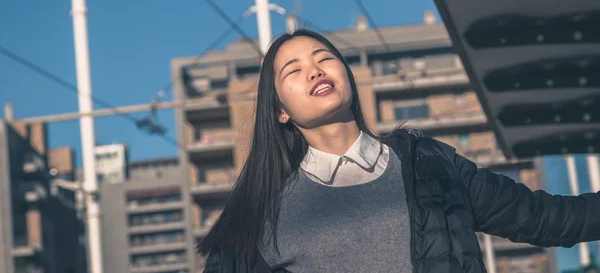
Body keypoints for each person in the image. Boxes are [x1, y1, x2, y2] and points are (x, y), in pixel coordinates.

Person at [198, 29, 600, 273]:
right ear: (280, 111)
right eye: (295, 70)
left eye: (325, 59)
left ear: (347, 76)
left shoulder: (430, 165)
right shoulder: (260, 213)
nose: (316, 71)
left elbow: (547, 219)